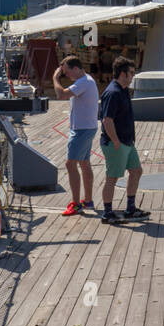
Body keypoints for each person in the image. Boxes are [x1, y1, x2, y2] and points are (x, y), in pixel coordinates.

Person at [99, 56, 149, 224]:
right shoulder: (113, 92)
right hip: (116, 143)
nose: (133, 76)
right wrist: (115, 142)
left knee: (136, 171)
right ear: (122, 74)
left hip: (127, 142)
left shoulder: (123, 89)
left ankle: (130, 208)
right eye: (131, 73)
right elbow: (107, 120)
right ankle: (107, 213)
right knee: (112, 178)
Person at [53, 56, 98, 216]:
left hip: (81, 130)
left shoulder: (83, 82)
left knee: (70, 165)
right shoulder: (87, 80)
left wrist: (55, 77)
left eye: (67, 72)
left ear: (76, 68)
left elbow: (61, 95)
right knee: (84, 163)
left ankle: (77, 203)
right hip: (87, 128)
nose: (67, 76)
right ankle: (88, 200)